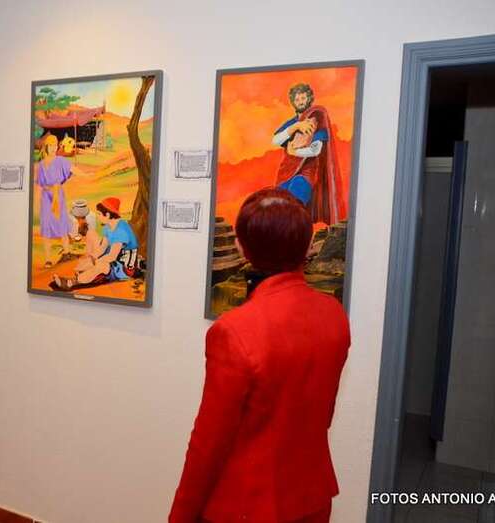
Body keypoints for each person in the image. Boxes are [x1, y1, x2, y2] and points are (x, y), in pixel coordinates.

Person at [169, 188, 351, 523]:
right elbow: (320, 415)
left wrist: (180, 516)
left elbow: (209, 442)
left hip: (246, 506)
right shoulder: (334, 315)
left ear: (242, 247)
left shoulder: (235, 330)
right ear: (307, 247)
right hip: (310, 497)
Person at [272, 83, 347, 225]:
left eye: (303, 98)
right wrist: (296, 126)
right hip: (286, 172)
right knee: (279, 204)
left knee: (296, 197)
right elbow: (275, 140)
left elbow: (315, 150)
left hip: (307, 172)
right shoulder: (293, 123)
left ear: (309, 98)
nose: (300, 102)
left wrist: (294, 151)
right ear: (293, 102)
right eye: (297, 99)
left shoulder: (317, 119)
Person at [52, 197, 138, 291]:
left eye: (99, 214)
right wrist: (91, 259)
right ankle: (93, 275)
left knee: (100, 265)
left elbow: (112, 256)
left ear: (107, 215)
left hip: (124, 268)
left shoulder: (121, 230)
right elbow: (102, 248)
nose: (98, 216)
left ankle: (71, 283)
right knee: (88, 259)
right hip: (113, 262)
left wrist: (95, 263)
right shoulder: (108, 227)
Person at [36, 134, 73, 267]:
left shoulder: (61, 161)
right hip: (46, 197)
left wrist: (90, 175)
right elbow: (40, 184)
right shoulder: (41, 164)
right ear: (46, 147)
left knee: (61, 222)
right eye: (51, 145)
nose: (53, 148)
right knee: (46, 225)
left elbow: (73, 170)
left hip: (58, 195)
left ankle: (67, 253)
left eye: (55, 145)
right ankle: (48, 259)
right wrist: (38, 200)